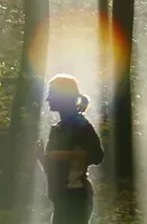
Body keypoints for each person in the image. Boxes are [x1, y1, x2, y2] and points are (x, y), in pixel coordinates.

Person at [37, 74, 104, 223]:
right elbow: (52, 169)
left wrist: (60, 155)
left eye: (51, 94)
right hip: (61, 200)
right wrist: (42, 157)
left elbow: (97, 155)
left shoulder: (81, 125)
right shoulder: (58, 128)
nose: (48, 99)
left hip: (77, 198)